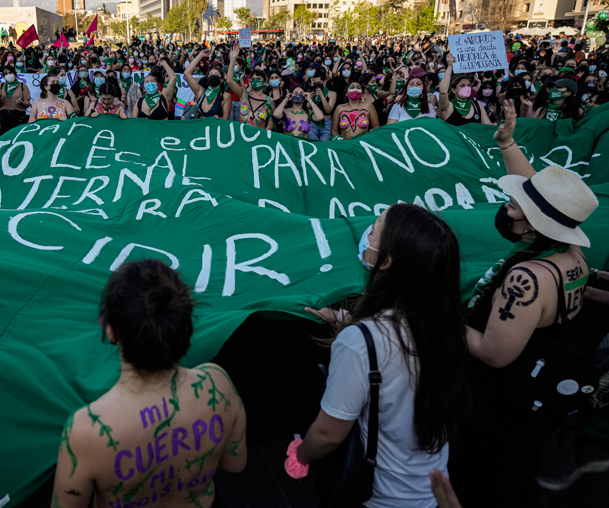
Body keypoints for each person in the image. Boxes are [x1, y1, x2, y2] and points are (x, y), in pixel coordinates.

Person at [451, 100, 600, 507]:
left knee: (481, 480)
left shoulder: (526, 278)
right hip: (531, 403)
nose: (507, 207)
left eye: (515, 206)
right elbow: (540, 191)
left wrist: (439, 314)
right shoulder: (571, 254)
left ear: (535, 222)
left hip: (497, 406)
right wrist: (507, 144)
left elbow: (493, 353)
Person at [295, 203, 471, 507]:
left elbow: (329, 433)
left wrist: (300, 454)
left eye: (374, 229)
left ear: (387, 261)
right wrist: (342, 319)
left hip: (376, 498)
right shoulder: (446, 322)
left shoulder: (359, 343)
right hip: (428, 494)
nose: (366, 232)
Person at [51, 259, 247, 508]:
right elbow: (235, 463)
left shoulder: (85, 430)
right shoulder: (217, 384)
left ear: (109, 330)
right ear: (183, 324)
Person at [227, 43, 274, 130]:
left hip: (258, 139)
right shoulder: (243, 95)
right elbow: (229, 81)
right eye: (253, 79)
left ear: (264, 82)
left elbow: (270, 125)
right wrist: (233, 59)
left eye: (258, 78)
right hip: (241, 137)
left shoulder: (270, 102)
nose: (255, 80)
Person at [438, 54, 491, 125]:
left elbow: (487, 125)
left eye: (468, 85)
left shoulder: (477, 104)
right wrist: (450, 66)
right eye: (462, 86)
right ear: (453, 90)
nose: (467, 88)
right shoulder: (448, 106)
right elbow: (443, 92)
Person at [184, 51, 232, 119]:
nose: (213, 76)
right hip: (199, 129)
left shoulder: (225, 97)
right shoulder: (201, 92)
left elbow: (226, 119)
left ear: (221, 80)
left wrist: (217, 119)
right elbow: (187, 73)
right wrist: (200, 55)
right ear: (208, 78)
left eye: (215, 75)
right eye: (211, 75)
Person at [0, 65, 30, 135]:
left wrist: (21, 102)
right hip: (4, 116)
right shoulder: (0, 86)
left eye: (10, 73)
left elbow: (27, 104)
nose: (8, 75)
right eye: (5, 74)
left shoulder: (23, 86)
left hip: (18, 116)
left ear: (15, 74)